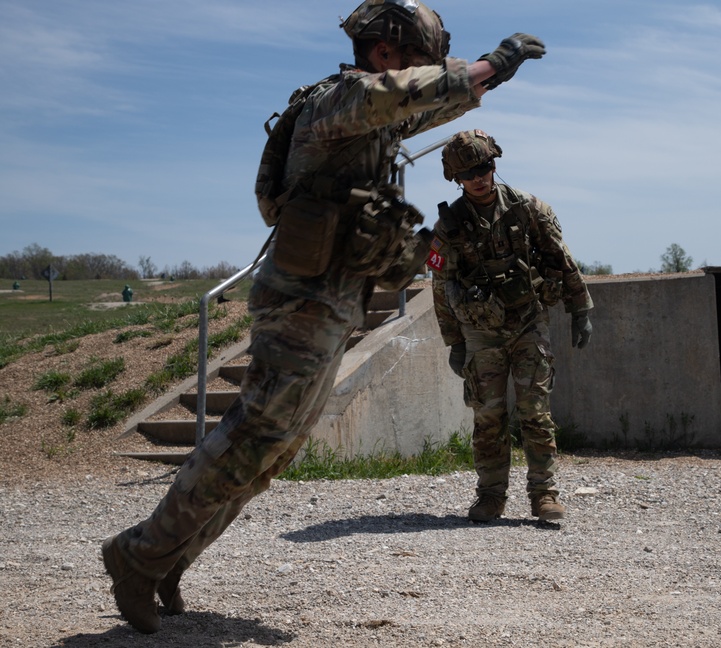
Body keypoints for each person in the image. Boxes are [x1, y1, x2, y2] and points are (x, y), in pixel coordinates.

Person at [101, 0, 546, 634]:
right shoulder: (342, 100)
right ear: (384, 54)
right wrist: (486, 64)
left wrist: (492, 79)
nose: (420, 72)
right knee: (255, 434)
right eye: (415, 60)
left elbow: (433, 102)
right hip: (301, 297)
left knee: (273, 452)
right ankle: (137, 556)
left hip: (337, 293)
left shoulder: (374, 117)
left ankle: (170, 556)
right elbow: (416, 92)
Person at [428, 129, 593, 523]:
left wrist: (580, 308)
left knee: (535, 409)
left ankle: (544, 495)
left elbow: (561, 256)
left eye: (484, 167)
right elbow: (440, 284)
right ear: (456, 178)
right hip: (480, 331)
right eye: (469, 173)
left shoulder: (528, 208)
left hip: (528, 321)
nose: (479, 177)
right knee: (487, 415)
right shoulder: (448, 227)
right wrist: (454, 342)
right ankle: (490, 497)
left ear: (494, 164)